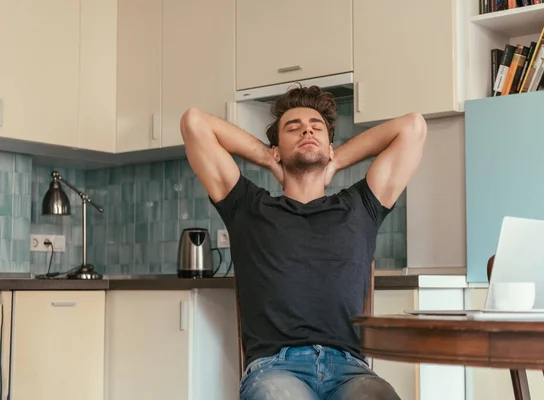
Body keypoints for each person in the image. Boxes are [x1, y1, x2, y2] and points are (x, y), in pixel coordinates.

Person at [180, 84, 427, 400]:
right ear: (277, 149)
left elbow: (414, 127)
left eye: (316, 128)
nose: (306, 132)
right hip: (275, 368)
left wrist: (335, 161)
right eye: (293, 128)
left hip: (350, 369)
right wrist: (269, 159)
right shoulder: (247, 207)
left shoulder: (360, 207)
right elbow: (194, 122)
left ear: (330, 145)